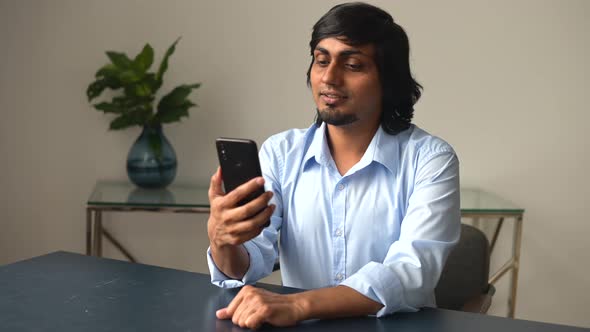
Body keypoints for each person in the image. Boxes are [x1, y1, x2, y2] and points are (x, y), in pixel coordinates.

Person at [206, 2, 460, 330]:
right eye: (321, 60)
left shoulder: (431, 160)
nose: (329, 77)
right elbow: (247, 263)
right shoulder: (281, 153)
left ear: (388, 79)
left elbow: (410, 273)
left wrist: (298, 304)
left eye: (352, 65)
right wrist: (223, 239)